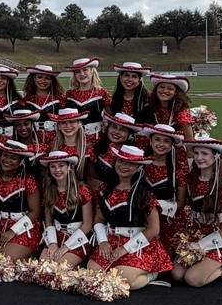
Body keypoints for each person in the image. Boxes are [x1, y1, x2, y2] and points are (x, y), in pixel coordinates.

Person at [88, 144, 172, 289]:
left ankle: (151, 274)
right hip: (112, 241)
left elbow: (153, 230)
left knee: (122, 281)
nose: (124, 166)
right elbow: (99, 219)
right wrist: (103, 241)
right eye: (121, 161)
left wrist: (125, 248)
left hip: (137, 244)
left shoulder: (145, 193)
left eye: (130, 163)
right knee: (92, 273)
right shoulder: (105, 188)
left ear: (139, 167)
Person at [173, 136, 222, 285]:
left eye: (204, 154)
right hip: (197, 233)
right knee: (177, 274)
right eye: (196, 153)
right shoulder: (191, 179)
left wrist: (202, 245)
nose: (199, 158)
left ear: (216, 156)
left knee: (193, 279)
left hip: (219, 238)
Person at [0, 138, 41, 260]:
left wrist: (13, 231)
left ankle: (29, 254)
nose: (7, 160)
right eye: (5, 155)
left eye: (13, 158)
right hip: (0, 224)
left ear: (20, 162)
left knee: (5, 259)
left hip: (24, 227)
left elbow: (36, 211)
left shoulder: (27, 180)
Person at [139, 123, 188, 257]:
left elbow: (181, 202)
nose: (161, 144)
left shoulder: (178, 168)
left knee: (166, 258)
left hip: (168, 219)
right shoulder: (140, 164)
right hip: (140, 218)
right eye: (157, 139)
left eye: (166, 141)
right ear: (150, 141)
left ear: (172, 144)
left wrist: (158, 208)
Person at [39, 150, 94, 266]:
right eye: (53, 167)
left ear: (69, 167)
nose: (57, 170)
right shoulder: (49, 190)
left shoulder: (82, 190)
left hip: (76, 239)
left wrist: (66, 247)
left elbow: (87, 225)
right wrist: (53, 243)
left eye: (61, 165)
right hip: (56, 237)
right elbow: (48, 222)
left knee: (60, 268)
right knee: (43, 267)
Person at [88, 112, 139, 191]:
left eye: (122, 129)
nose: (117, 132)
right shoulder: (96, 148)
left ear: (129, 134)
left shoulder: (133, 155)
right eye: (114, 127)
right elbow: (92, 177)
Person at [63, 57, 112, 137]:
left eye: (85, 70)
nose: (82, 74)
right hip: (74, 137)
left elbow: (111, 115)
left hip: (97, 136)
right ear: (74, 75)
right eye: (78, 72)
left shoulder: (101, 92)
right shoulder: (69, 94)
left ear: (92, 72)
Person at [47, 106, 92, 179]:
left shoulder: (87, 148)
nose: (68, 126)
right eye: (63, 123)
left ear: (79, 124)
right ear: (59, 126)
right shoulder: (53, 147)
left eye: (72, 122)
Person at [146, 74, 195, 142]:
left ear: (176, 93)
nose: (165, 91)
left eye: (170, 88)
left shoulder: (181, 113)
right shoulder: (150, 108)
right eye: (162, 87)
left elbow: (189, 140)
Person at [20, 64, 65, 132]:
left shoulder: (58, 98)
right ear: (34, 78)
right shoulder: (27, 99)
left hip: (55, 137)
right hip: (33, 137)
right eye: (40, 77)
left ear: (51, 80)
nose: (43, 81)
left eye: (47, 78)